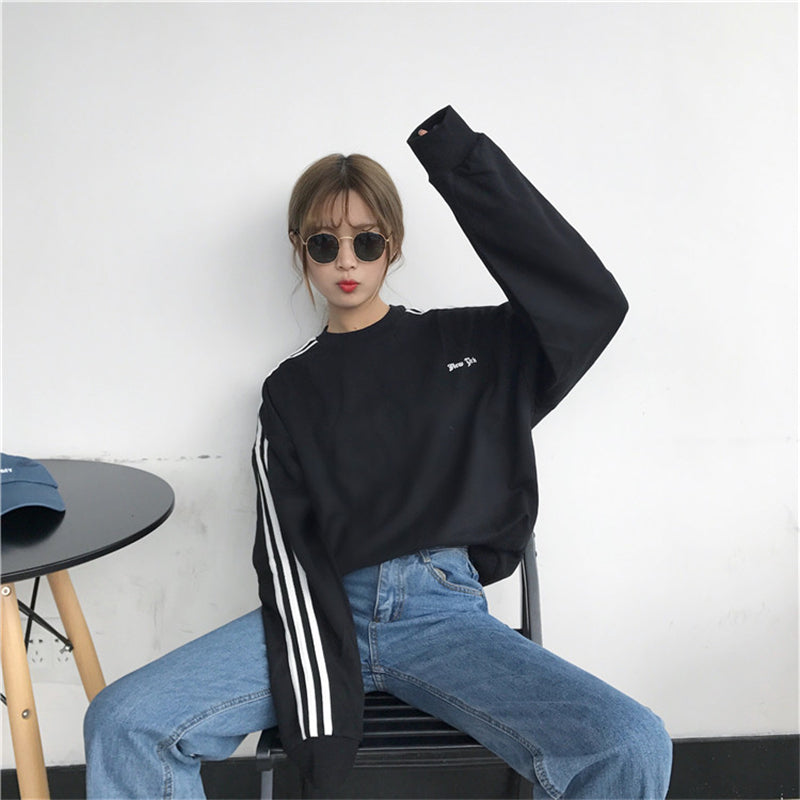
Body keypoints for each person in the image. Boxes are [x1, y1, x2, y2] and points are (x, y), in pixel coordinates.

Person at [84, 106, 672, 799]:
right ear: (299, 249)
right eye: (324, 243)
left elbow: (590, 303)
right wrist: (319, 703)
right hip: (320, 612)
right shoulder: (291, 390)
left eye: (366, 241)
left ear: (393, 245)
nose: (346, 261)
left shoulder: (474, 348)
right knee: (123, 719)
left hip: (442, 617)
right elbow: (287, 548)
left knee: (629, 741)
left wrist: (457, 160)